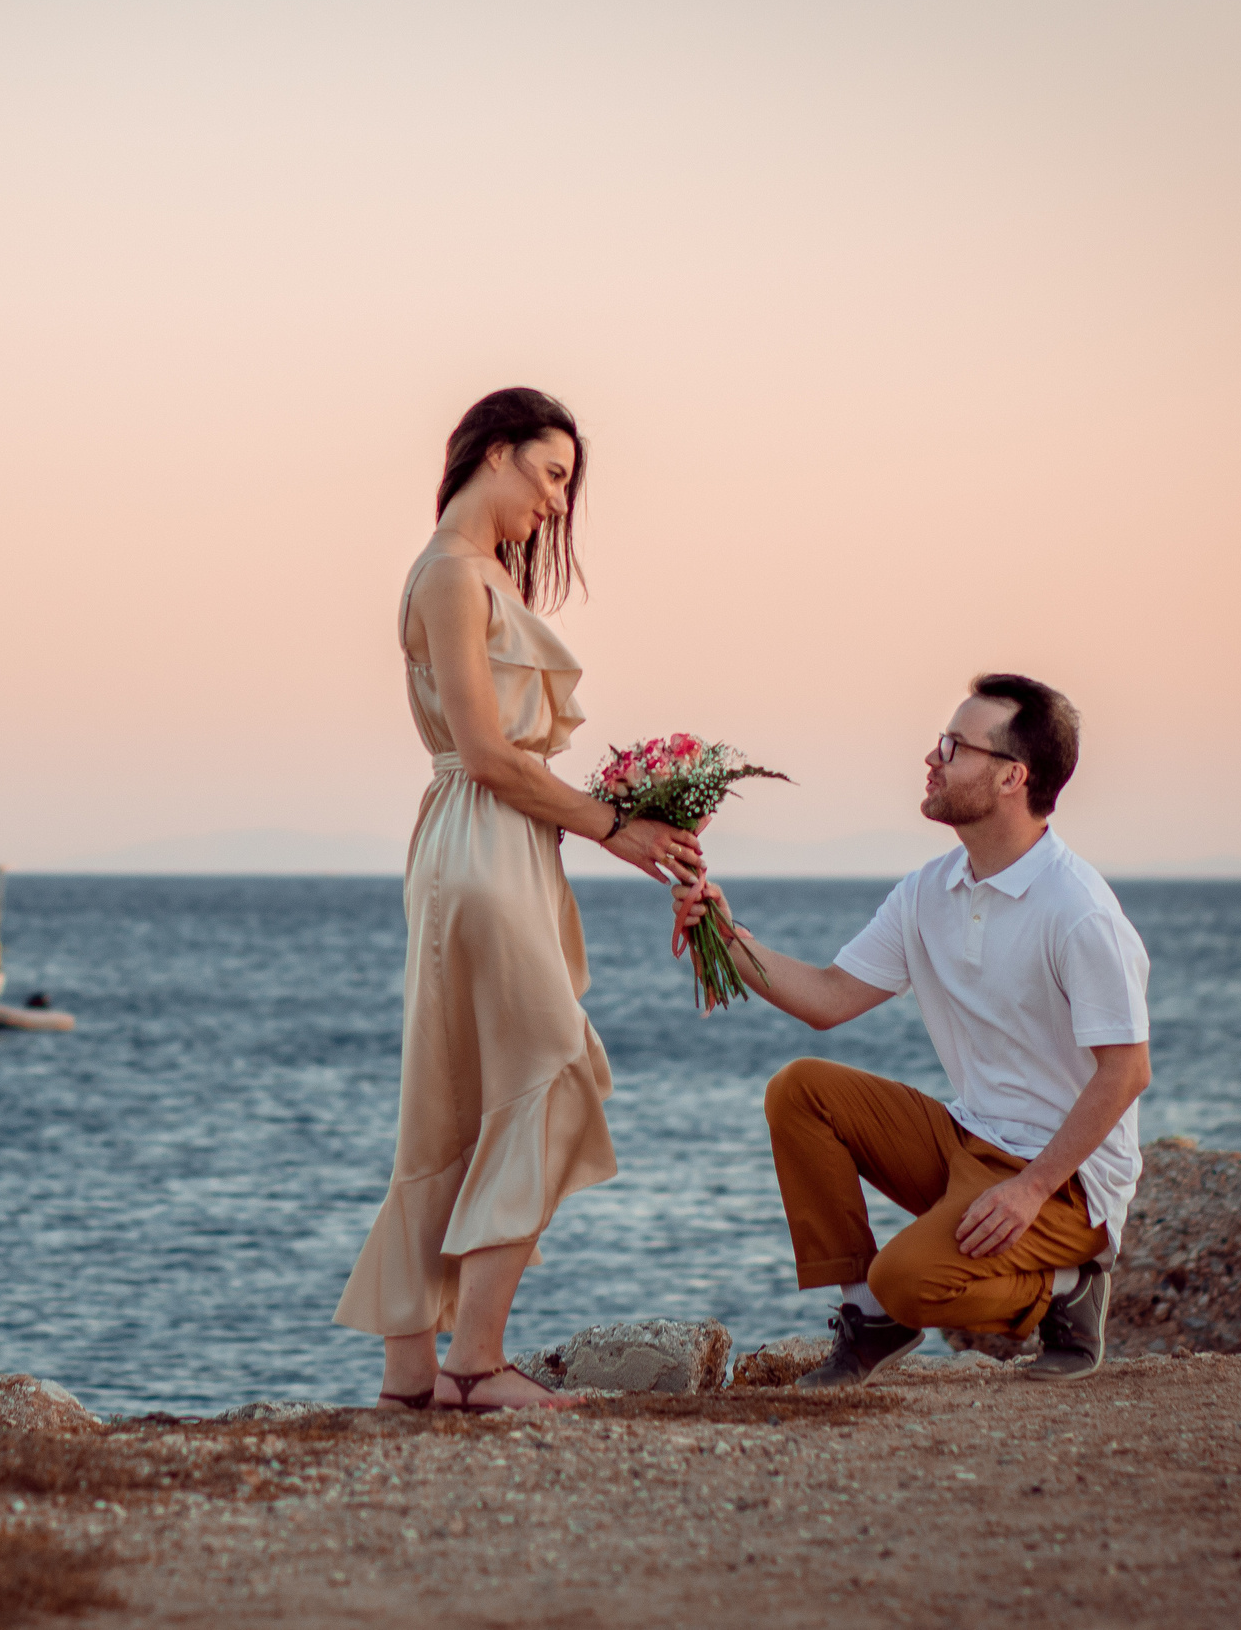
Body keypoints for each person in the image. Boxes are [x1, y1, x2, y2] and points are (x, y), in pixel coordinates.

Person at [333, 388, 706, 1412]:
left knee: (460, 1097)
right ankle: (476, 1364)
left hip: (500, 844)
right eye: (549, 475)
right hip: (479, 838)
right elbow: (491, 755)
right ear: (493, 453)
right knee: (553, 1074)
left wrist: (610, 828)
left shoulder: (475, 574)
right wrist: (614, 828)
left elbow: (504, 764)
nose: (555, 503)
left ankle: (414, 1374)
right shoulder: (451, 575)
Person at [674, 674, 1151, 1385]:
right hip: (968, 1136)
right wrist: (722, 930)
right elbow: (828, 998)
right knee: (801, 1090)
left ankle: (1068, 1290)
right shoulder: (929, 890)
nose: (933, 758)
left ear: (1012, 777)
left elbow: (1126, 1071)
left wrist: (1028, 1190)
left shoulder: (1078, 909)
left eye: (954, 746)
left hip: (1065, 1179)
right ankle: (867, 1318)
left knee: (909, 1280)